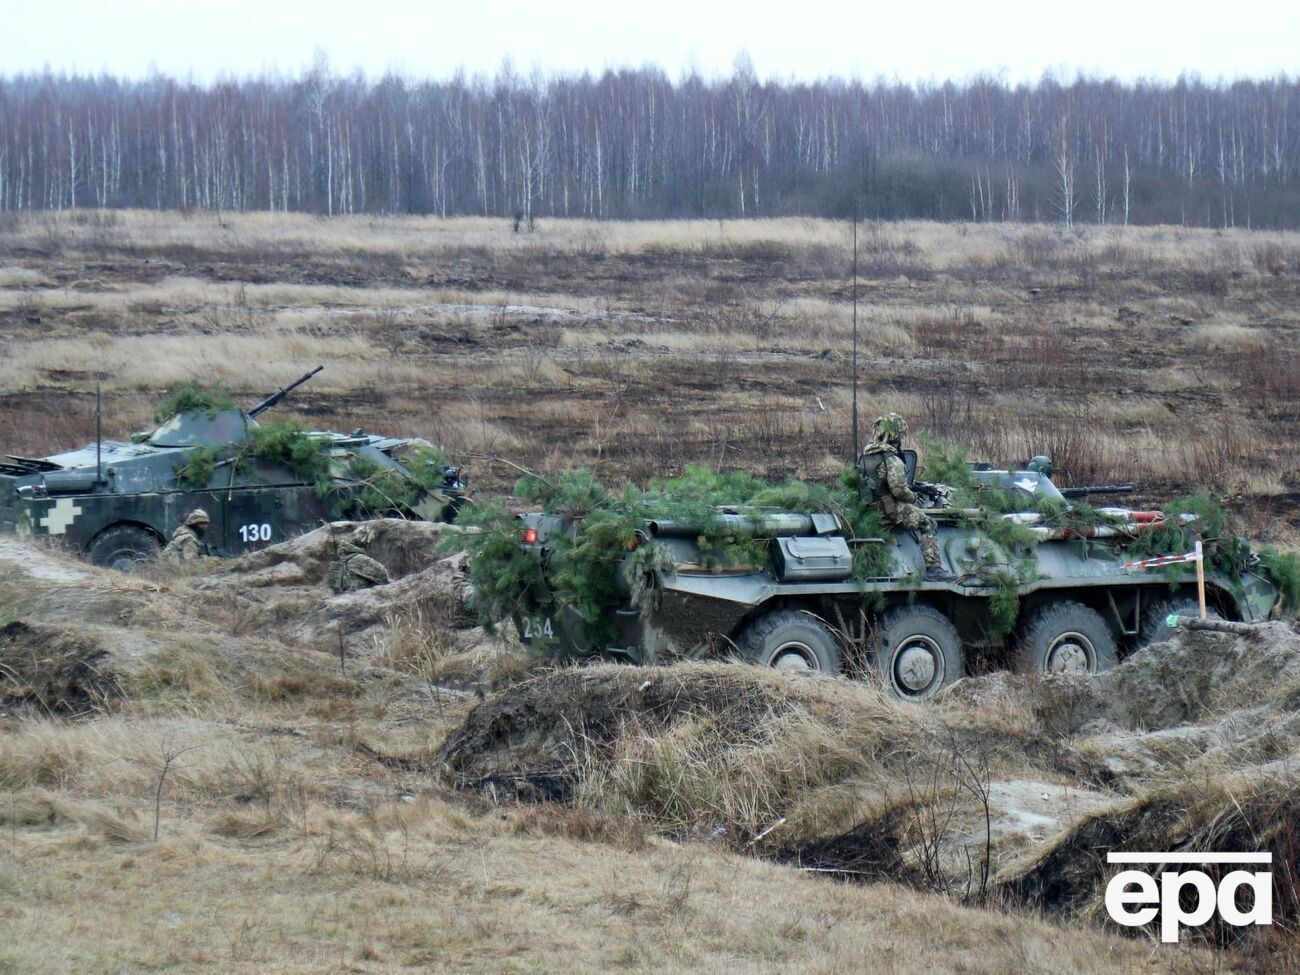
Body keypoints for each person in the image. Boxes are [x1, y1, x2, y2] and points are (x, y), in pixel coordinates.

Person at [859, 413, 955, 582]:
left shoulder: (865, 457)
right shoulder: (891, 459)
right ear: (896, 435)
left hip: (867, 511)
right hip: (888, 511)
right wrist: (914, 497)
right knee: (927, 522)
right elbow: (899, 490)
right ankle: (934, 569)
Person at [327, 524, 390, 592]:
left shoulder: (341, 558)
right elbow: (382, 573)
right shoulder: (359, 558)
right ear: (366, 541)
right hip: (358, 595)